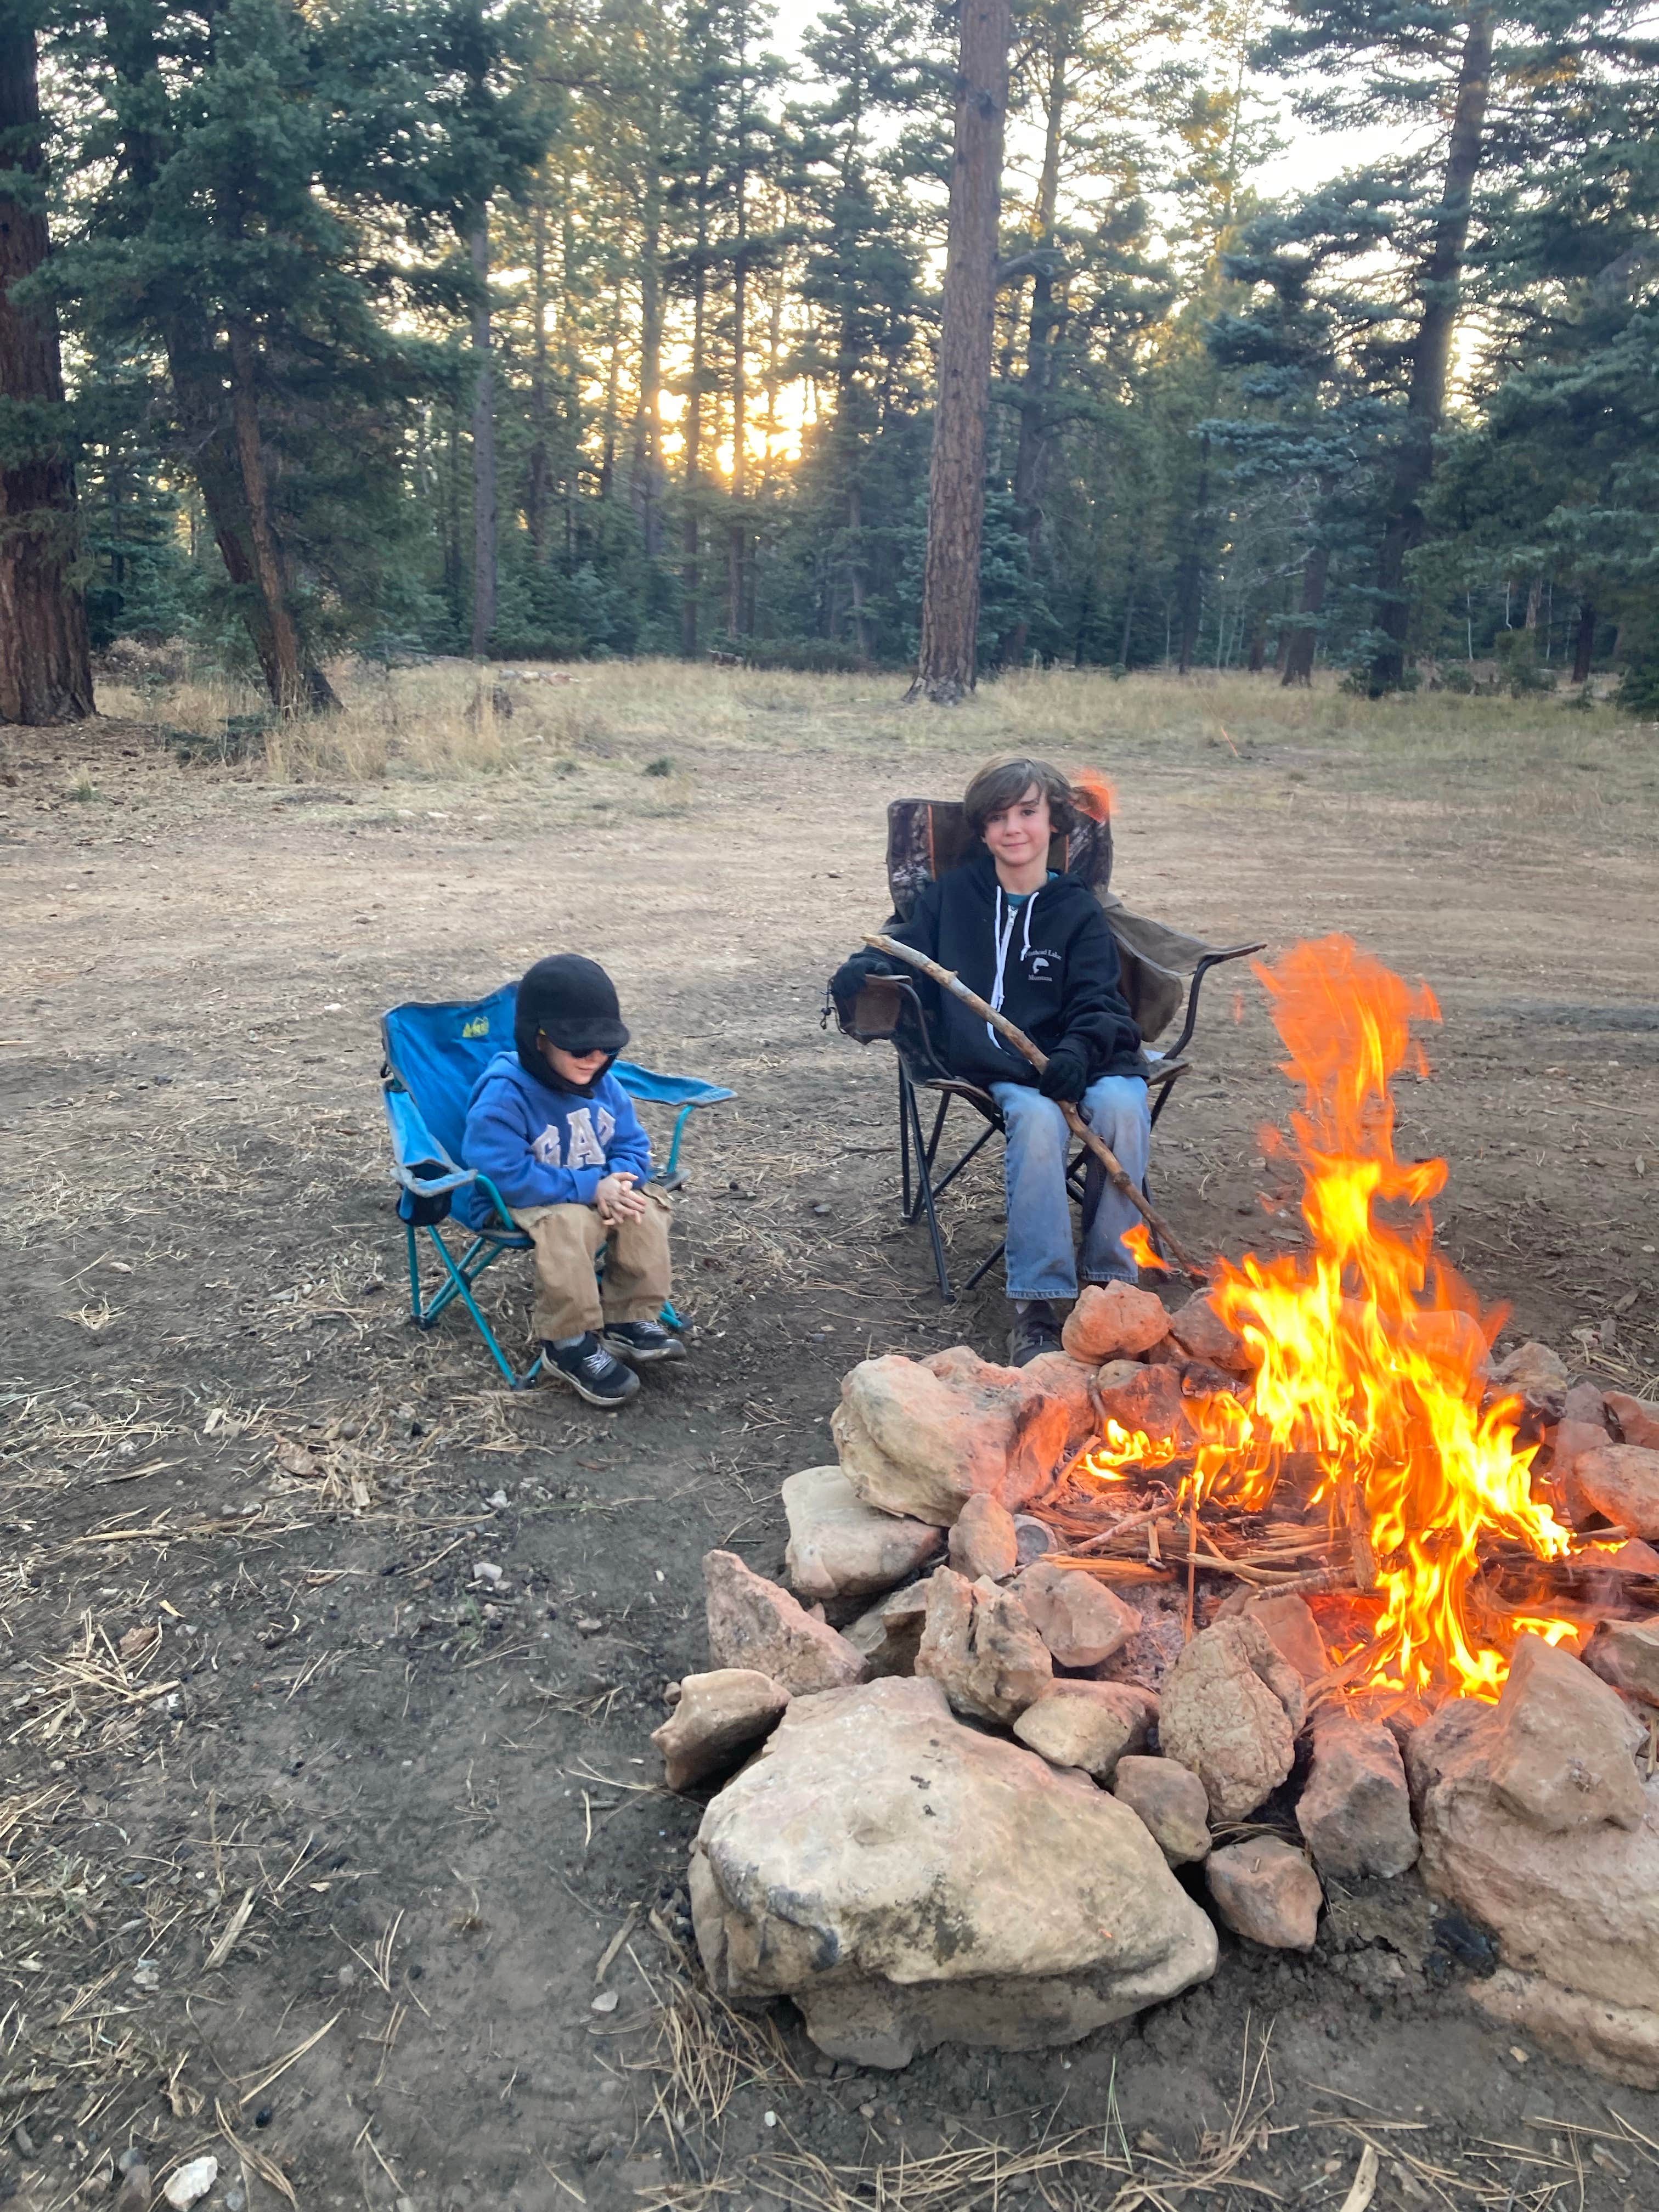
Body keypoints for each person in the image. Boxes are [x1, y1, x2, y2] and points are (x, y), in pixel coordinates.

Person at [830, 754, 1150, 1367]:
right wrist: (865, 970)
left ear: (1053, 822)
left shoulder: (1077, 908)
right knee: (1036, 1120)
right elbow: (908, 953)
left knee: (1124, 1104)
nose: (1013, 829)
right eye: (998, 818)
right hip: (997, 1063)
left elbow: (1100, 1000)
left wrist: (1078, 1052)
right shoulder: (954, 896)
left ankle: (1113, 1282)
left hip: (1085, 1055)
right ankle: (1038, 1301)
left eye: (1027, 813)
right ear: (981, 831)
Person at [461, 954, 685, 1408]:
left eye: (606, 1048)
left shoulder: (605, 1084)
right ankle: (568, 1341)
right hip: (520, 1198)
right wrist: (591, 1189)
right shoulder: (505, 1093)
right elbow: (502, 1174)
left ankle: (629, 1318)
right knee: (571, 1224)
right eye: (580, 1049)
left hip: (593, 1190)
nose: (596, 1059)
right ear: (537, 1041)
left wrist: (619, 1183)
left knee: (644, 1207)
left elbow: (632, 1146)